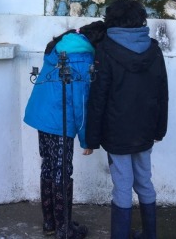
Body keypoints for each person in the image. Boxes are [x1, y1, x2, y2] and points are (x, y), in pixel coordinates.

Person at [86, 0, 168, 239]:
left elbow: (98, 96)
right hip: (145, 130)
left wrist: (91, 138)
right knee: (144, 180)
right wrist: (159, 130)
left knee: (122, 184)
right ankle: (150, 234)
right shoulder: (154, 48)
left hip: (116, 131)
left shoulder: (105, 48)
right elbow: (163, 92)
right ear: (140, 19)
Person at [24, 21, 106, 239]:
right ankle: (64, 229)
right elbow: (80, 102)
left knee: (49, 167)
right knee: (62, 171)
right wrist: (86, 140)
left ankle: (51, 222)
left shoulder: (62, 45)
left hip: (42, 116)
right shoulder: (82, 56)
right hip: (60, 119)